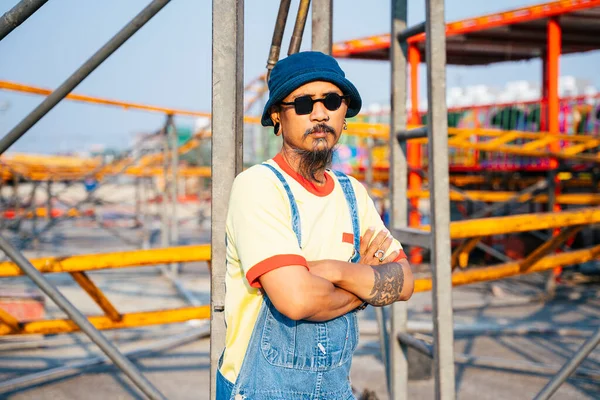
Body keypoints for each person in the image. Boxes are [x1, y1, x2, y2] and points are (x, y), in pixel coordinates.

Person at [217, 51, 414, 400]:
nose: (320, 113)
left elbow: (403, 282)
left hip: (336, 390)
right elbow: (297, 299)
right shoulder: (259, 187)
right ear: (277, 116)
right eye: (304, 103)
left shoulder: (353, 194)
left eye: (333, 100)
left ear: (345, 114)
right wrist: (362, 282)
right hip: (261, 392)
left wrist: (330, 270)